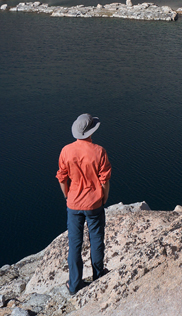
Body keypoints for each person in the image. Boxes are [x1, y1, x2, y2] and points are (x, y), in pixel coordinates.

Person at [56, 113, 112, 295]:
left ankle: (74, 285)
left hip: (73, 204)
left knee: (74, 244)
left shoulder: (66, 150)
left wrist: (67, 196)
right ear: (91, 131)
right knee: (96, 240)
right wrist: (104, 197)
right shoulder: (99, 151)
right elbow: (104, 180)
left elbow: (62, 178)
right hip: (94, 204)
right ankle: (98, 276)